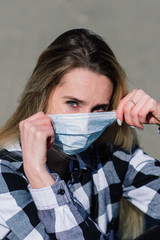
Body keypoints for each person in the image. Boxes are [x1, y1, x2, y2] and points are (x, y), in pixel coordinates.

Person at [0, 28, 160, 240]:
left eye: (99, 108)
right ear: (42, 94)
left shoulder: (107, 155)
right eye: (73, 103)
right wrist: (39, 176)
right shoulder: (5, 176)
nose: (85, 124)